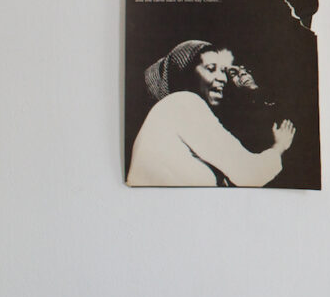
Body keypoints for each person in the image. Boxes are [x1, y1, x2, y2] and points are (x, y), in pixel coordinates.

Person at [126, 40, 294, 187]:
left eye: (222, 71)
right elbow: (249, 173)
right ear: (186, 75)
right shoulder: (183, 102)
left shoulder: (175, 111)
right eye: (211, 69)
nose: (223, 78)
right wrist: (279, 147)